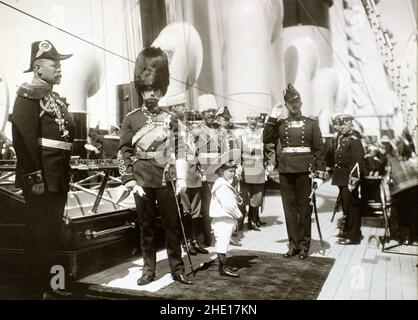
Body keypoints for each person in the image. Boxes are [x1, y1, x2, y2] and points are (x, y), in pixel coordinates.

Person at [117, 47, 192, 286]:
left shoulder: (171, 118)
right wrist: (129, 180)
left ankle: (177, 268)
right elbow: (124, 151)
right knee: (146, 228)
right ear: (141, 90)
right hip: (141, 180)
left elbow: (180, 148)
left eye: (155, 90)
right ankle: (148, 270)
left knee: (172, 227)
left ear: (162, 90)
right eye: (147, 89)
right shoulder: (131, 119)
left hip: (166, 178)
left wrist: (181, 178)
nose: (151, 94)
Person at [11, 40, 74, 297]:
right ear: (38, 69)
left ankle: (53, 286)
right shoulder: (28, 94)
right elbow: (23, 139)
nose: (59, 69)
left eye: (60, 65)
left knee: (52, 233)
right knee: (39, 235)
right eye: (54, 65)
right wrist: (33, 176)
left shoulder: (53, 97)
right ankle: (35, 289)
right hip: (41, 179)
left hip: (57, 176)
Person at [263, 83, 326, 260]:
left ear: (301, 103)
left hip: (305, 171)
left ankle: (304, 246)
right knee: (289, 210)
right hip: (286, 170)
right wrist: (272, 118)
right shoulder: (281, 124)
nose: (294, 106)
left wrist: (320, 174)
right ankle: (293, 245)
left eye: (296, 102)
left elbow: (319, 149)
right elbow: (266, 138)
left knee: (304, 209)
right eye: (290, 103)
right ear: (286, 105)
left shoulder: (311, 124)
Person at [235, 113, 275, 231]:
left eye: (256, 119)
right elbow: (237, 151)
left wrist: (271, 164)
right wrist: (237, 166)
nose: (253, 121)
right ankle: (240, 221)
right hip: (245, 170)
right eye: (251, 118)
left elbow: (270, 149)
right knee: (243, 197)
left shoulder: (262, 133)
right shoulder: (240, 134)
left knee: (257, 197)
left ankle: (253, 221)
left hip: (258, 169)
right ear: (247, 119)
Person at [206, 148, 243, 277]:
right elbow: (229, 205)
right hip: (223, 219)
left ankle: (224, 265)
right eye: (230, 171)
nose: (233, 174)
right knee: (222, 243)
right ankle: (222, 267)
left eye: (234, 171)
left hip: (226, 219)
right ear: (221, 171)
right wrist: (239, 215)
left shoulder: (225, 183)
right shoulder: (222, 185)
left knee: (225, 241)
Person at [332, 114, 365, 245]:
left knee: (352, 206)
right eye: (341, 124)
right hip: (341, 176)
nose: (342, 126)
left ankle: (353, 236)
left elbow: (358, 162)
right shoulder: (341, 138)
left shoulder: (354, 139)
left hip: (349, 178)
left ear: (351, 124)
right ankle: (349, 230)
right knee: (346, 205)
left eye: (345, 124)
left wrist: (353, 181)